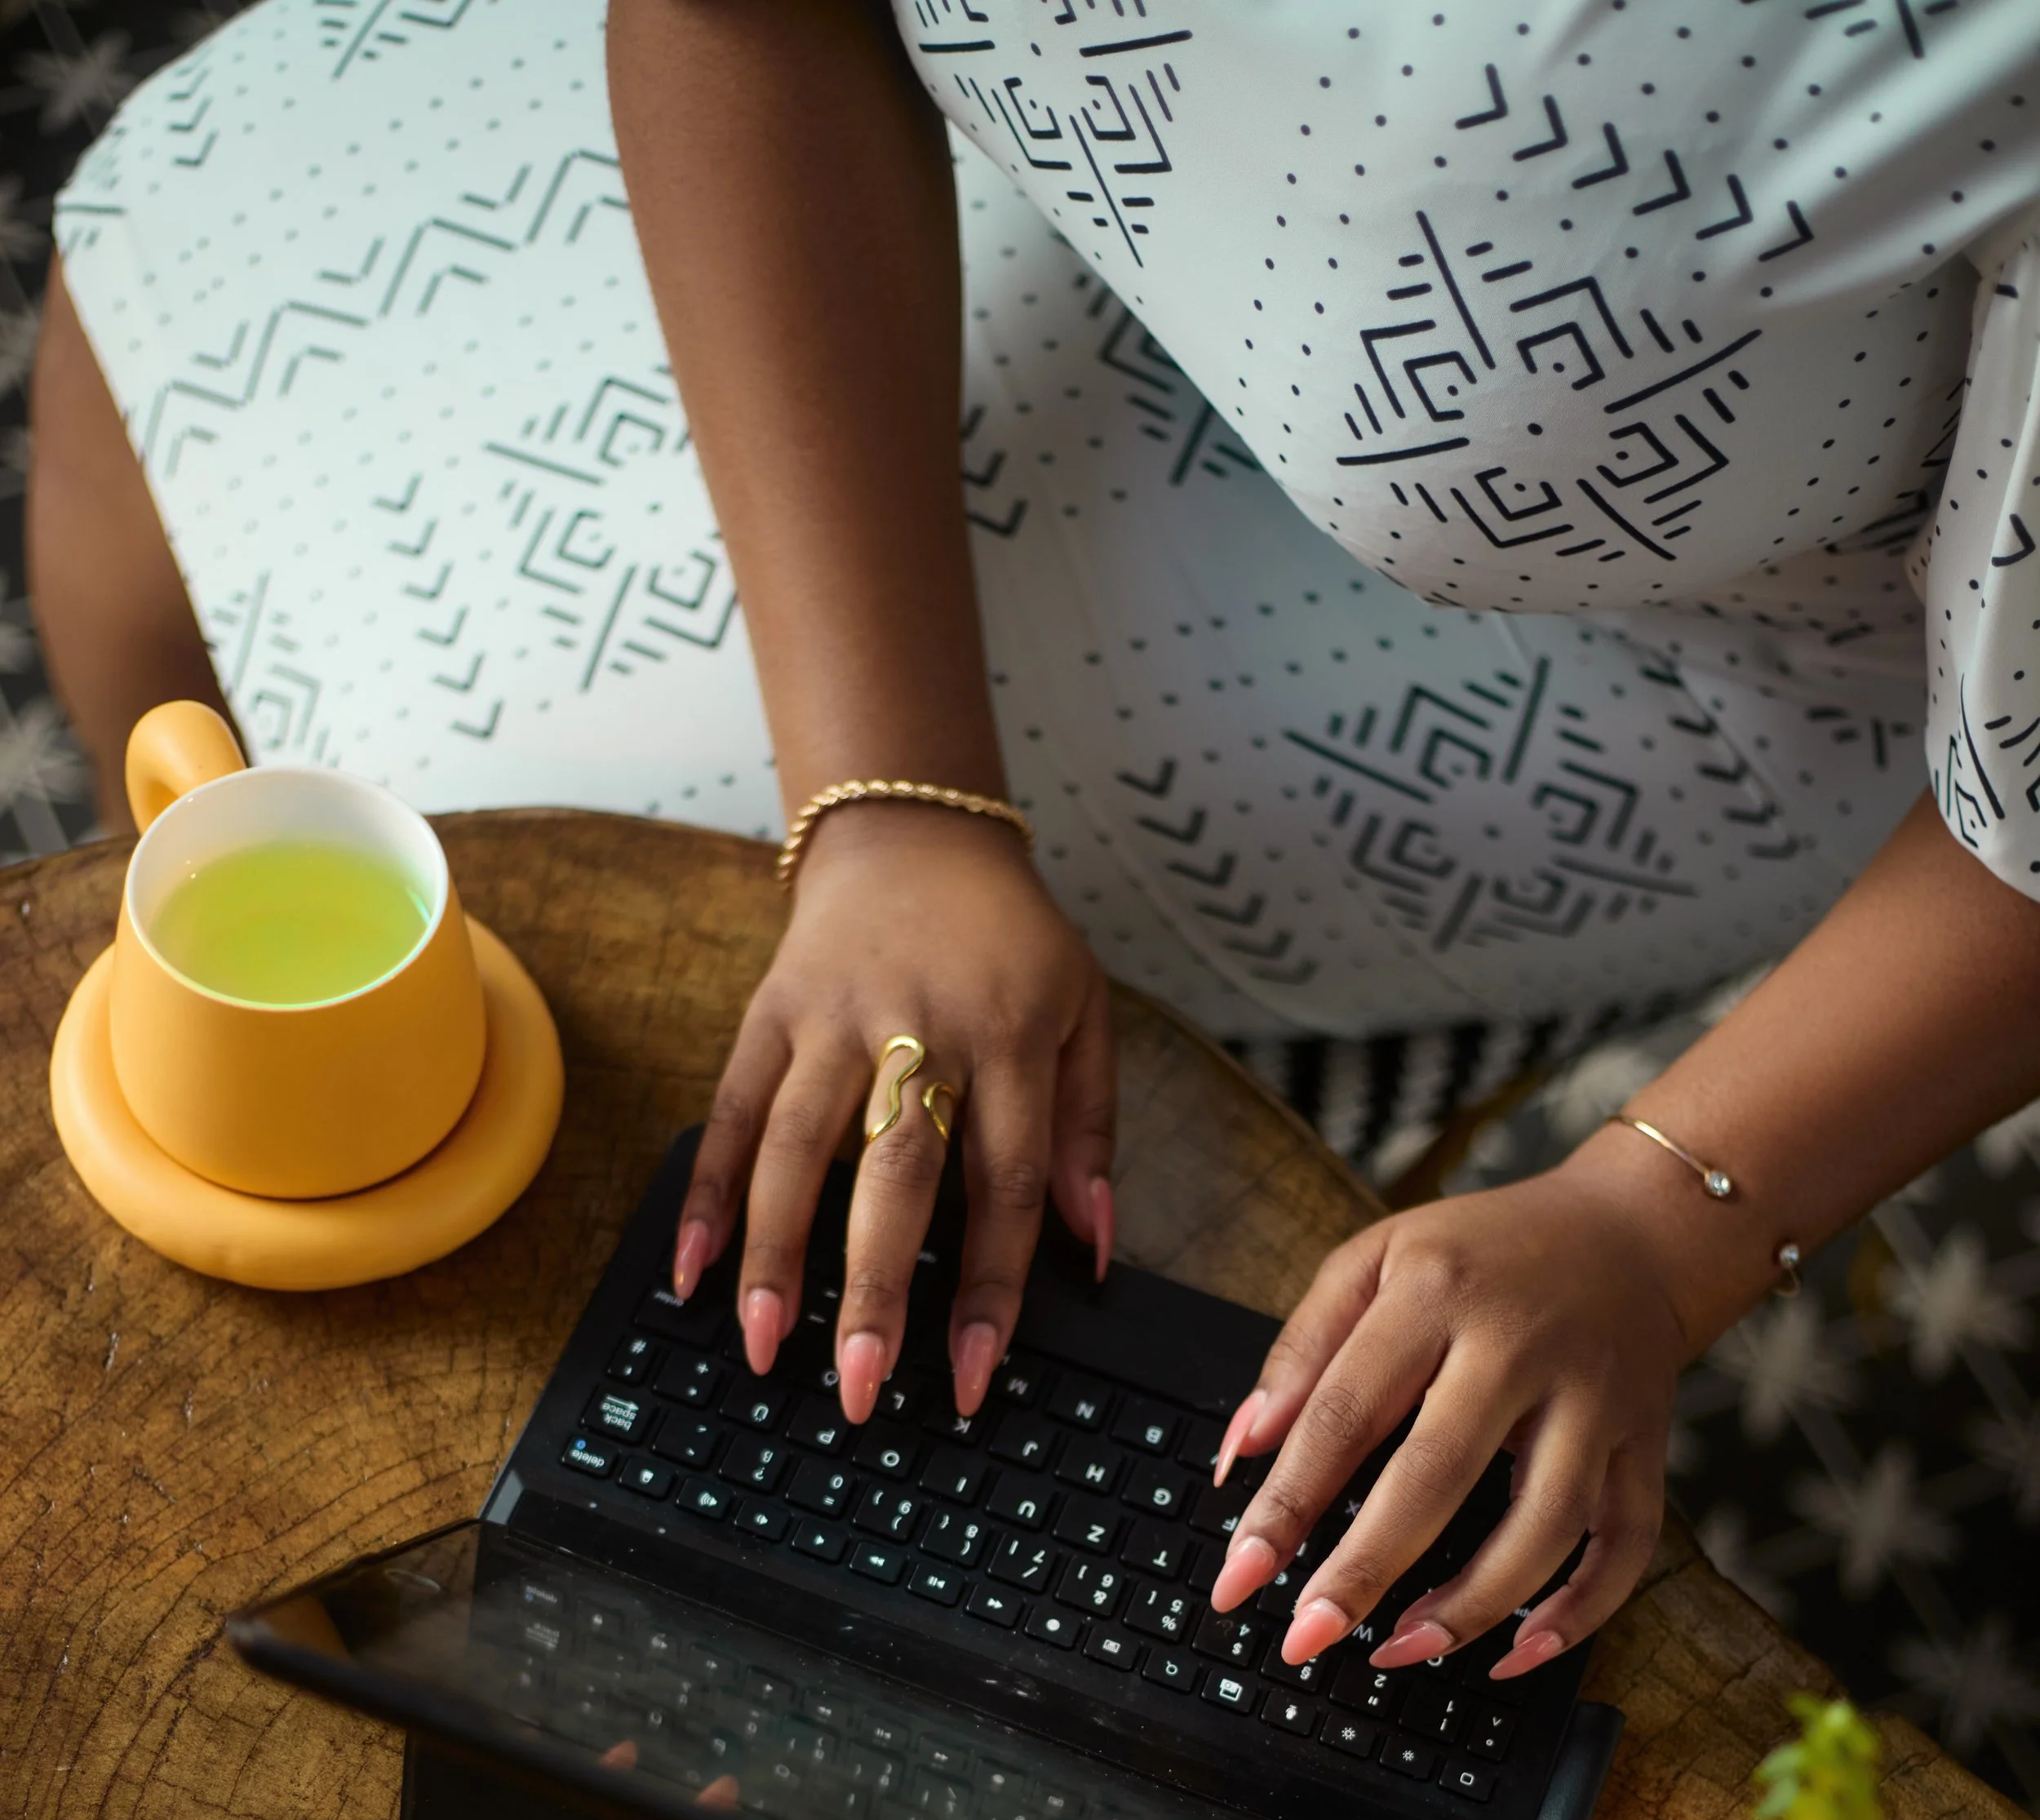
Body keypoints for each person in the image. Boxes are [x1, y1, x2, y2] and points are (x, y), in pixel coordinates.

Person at [34, 0, 2040, 1695]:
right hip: (941, 161)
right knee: (172, 237)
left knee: (543, 1011)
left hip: (1644, 622)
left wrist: (1645, 1226)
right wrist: (891, 800)